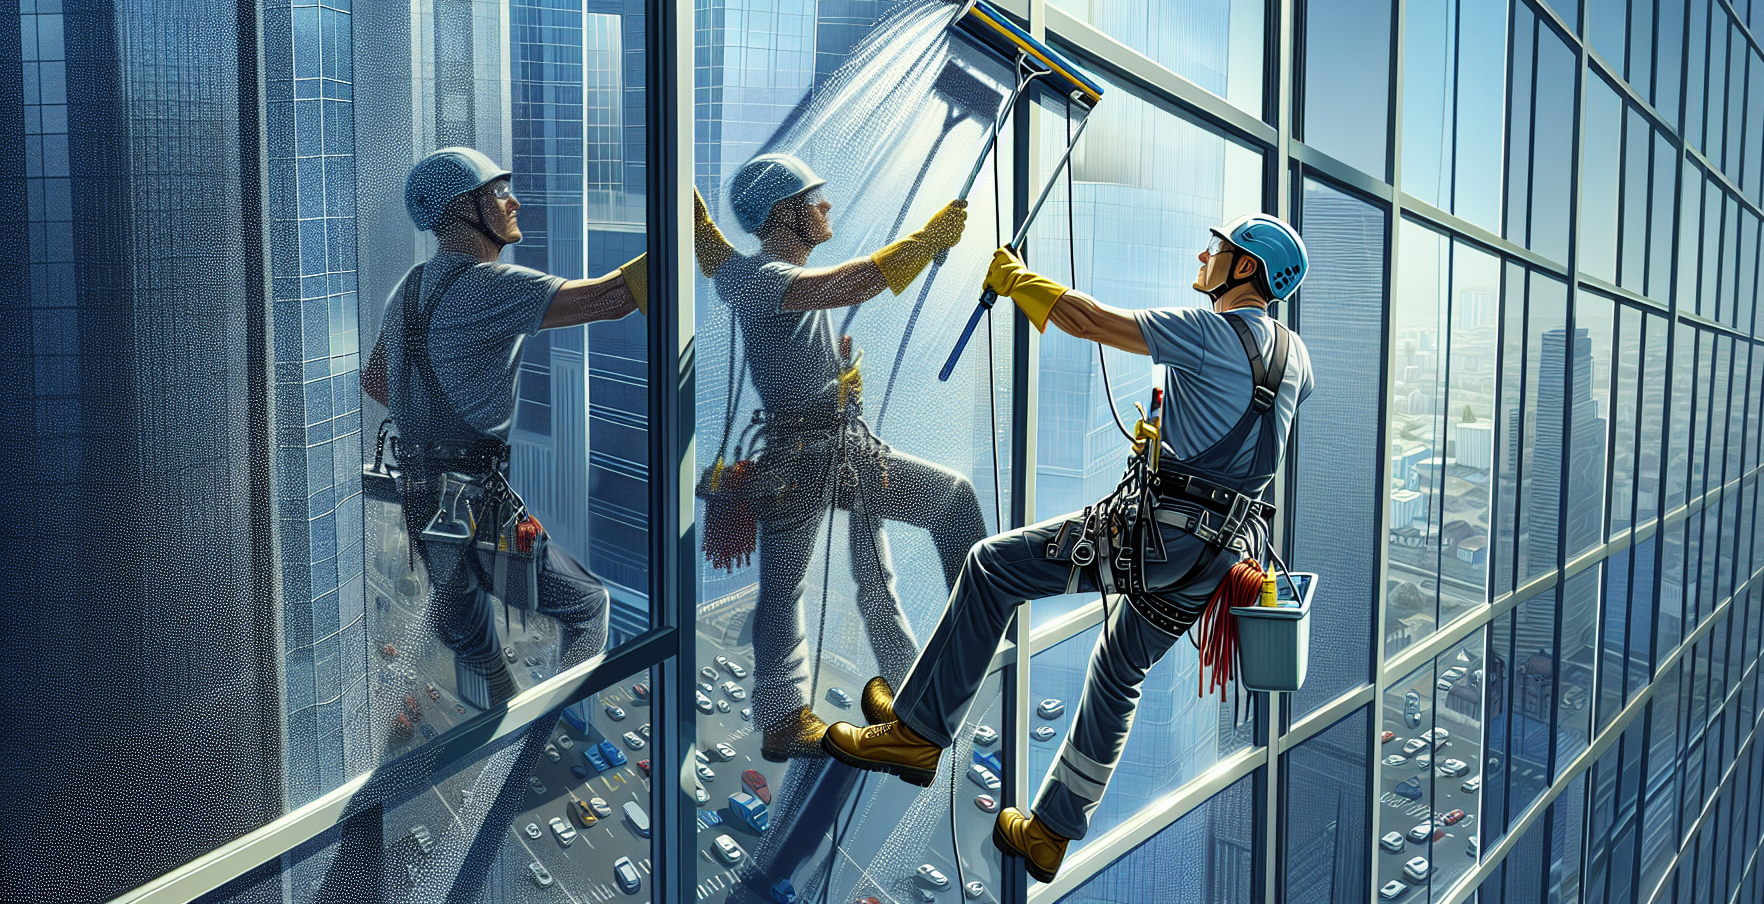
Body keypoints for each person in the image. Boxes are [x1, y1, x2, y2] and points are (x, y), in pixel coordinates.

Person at [821, 214, 1316, 883]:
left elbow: (1090, 322)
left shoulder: (1209, 331)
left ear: (1247, 269)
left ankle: (918, 731)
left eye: (1220, 249)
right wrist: (1177, 446)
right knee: (1119, 669)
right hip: (1221, 554)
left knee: (992, 567)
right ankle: (1051, 832)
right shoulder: (1297, 359)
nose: (1206, 253)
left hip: (1159, 535)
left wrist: (1021, 283)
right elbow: (1251, 428)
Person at [697, 152, 989, 762]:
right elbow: (850, 283)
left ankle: (819, 709)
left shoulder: (745, 274)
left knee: (818, 585)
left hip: (820, 453)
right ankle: (949, 659)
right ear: (784, 213)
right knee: (946, 508)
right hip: (813, 458)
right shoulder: (769, 277)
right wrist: (923, 241)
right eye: (813, 198)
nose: (827, 205)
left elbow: (710, 249)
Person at [360, 147, 646, 710]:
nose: (513, 201)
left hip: (423, 499)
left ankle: (497, 738)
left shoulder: (409, 288)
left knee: (472, 640)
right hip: (477, 505)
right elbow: (612, 300)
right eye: (496, 193)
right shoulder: (490, 284)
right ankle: (539, 726)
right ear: (462, 210)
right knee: (588, 606)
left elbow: (375, 379)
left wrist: (437, 409)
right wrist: (680, 237)